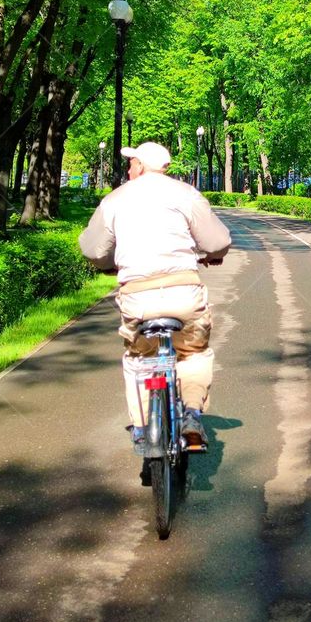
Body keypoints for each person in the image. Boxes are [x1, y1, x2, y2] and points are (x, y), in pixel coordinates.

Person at [78, 140, 231, 449]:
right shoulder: (186, 194)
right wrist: (210, 255)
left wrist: (110, 265)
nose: (128, 166)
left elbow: (93, 249)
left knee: (139, 357)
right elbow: (217, 242)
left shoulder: (116, 199)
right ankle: (191, 413)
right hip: (183, 293)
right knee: (193, 353)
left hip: (138, 298)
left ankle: (142, 426)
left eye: (132, 162)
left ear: (141, 166)